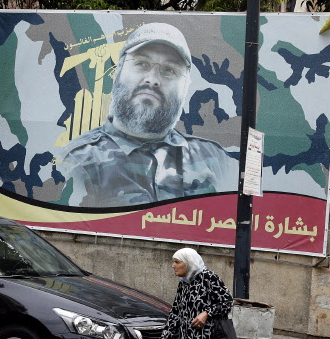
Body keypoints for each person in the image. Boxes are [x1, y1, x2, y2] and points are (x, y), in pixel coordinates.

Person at [57, 23, 238, 208]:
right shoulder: (76, 161)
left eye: (169, 70)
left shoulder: (216, 160)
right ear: (117, 72)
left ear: (186, 87)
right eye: (142, 64)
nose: (152, 79)